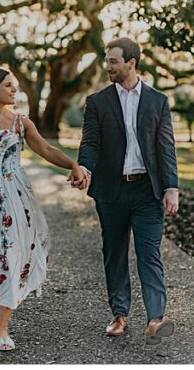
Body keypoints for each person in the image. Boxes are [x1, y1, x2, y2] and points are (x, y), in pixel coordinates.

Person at [0, 66, 88, 352]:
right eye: (9, 85)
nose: (14, 90)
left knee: (10, 253)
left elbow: (46, 150)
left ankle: (2, 329)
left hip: (13, 195)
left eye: (15, 86)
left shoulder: (21, 123)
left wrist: (72, 164)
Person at [76, 37, 180, 345]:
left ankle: (155, 319)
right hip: (111, 191)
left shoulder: (157, 101)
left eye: (113, 62)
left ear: (131, 63)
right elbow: (90, 142)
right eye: (107, 61)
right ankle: (119, 315)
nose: (107, 66)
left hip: (148, 192)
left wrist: (171, 187)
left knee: (149, 254)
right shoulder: (97, 102)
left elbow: (166, 147)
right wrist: (84, 170)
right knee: (115, 253)